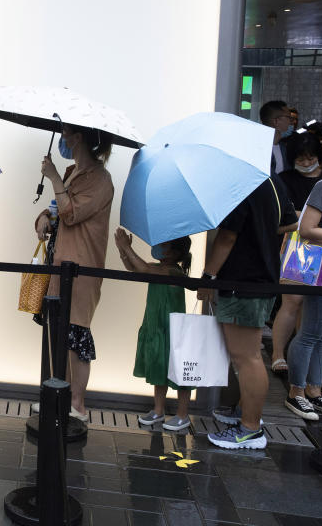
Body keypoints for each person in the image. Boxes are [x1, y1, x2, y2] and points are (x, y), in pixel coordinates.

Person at [198, 176, 296, 449]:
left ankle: (250, 429)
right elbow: (290, 221)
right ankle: (245, 413)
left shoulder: (242, 183)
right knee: (247, 355)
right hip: (262, 278)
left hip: (243, 281)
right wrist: (261, 230)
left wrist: (208, 276)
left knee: (248, 357)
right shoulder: (272, 180)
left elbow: (227, 236)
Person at [35, 125, 115, 420]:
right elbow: (57, 209)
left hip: (81, 269)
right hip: (60, 264)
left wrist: (54, 177)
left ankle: (77, 405)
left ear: (78, 138)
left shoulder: (100, 179)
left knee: (76, 332)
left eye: (66, 133)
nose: (63, 138)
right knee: (59, 332)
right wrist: (43, 217)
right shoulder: (72, 172)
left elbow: (72, 213)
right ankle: (60, 395)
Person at [115, 230, 193, 430]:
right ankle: (159, 411)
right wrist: (123, 250)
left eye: (165, 245)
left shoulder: (173, 271)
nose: (160, 247)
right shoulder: (160, 267)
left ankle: (183, 415)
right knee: (159, 369)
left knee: (180, 375)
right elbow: (134, 268)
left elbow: (143, 269)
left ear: (175, 254)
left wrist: (127, 247)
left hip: (172, 331)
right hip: (156, 326)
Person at [270, 132, 322, 373]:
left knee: (311, 309)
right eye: (300, 158)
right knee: (292, 301)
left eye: (310, 157)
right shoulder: (284, 179)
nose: (305, 163)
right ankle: (277, 354)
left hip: (321, 248)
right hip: (296, 244)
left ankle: (301, 359)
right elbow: (282, 215)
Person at [283, 178, 322, 421]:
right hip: (320, 266)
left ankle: (314, 389)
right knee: (312, 331)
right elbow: (306, 228)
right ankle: (296, 391)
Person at [261, 100, 293, 174]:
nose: (291, 122)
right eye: (289, 117)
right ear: (276, 121)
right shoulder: (259, 149)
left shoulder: (284, 147)